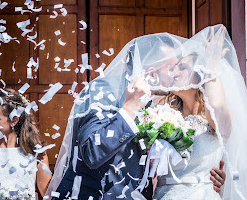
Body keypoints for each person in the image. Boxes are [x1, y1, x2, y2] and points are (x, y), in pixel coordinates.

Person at [46, 29, 226, 200]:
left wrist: (204, 178)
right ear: (151, 69)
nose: (174, 74)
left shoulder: (156, 105)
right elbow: (91, 152)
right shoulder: (103, 89)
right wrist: (129, 109)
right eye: (170, 67)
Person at [145, 25, 247, 199]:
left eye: (183, 68)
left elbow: (216, 105)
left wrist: (211, 63)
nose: (174, 72)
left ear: (200, 76)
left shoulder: (213, 118)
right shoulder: (161, 114)